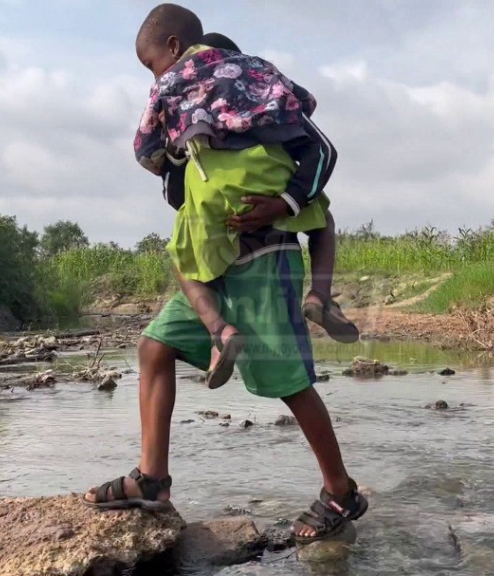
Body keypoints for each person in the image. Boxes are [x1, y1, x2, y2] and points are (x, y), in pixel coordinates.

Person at [82, 3, 369, 544]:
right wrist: (184, 168)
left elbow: (322, 151)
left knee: (287, 381)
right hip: (213, 262)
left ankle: (340, 491)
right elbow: (172, 188)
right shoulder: (195, 129)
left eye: (154, 67)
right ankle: (152, 478)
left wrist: (281, 202)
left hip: (266, 256)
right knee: (154, 347)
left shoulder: (261, 104)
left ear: (177, 51)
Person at [159, 30, 357, 388]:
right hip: (269, 211)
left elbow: (173, 195)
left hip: (211, 226)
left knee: (181, 250)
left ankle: (218, 329)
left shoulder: (186, 120)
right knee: (322, 216)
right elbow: (323, 151)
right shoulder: (266, 104)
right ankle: (320, 296)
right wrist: (286, 201)